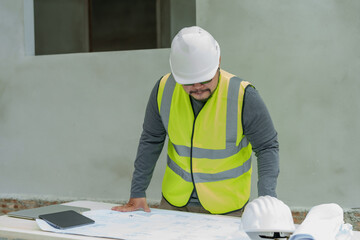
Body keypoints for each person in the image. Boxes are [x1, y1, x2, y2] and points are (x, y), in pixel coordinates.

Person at [112, 26, 279, 216]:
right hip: (174, 203)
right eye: (189, 82)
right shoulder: (164, 89)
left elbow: (267, 147)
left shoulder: (243, 96)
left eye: (204, 79)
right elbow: (151, 140)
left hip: (226, 209)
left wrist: (268, 201)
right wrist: (137, 192)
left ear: (218, 62)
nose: (197, 87)